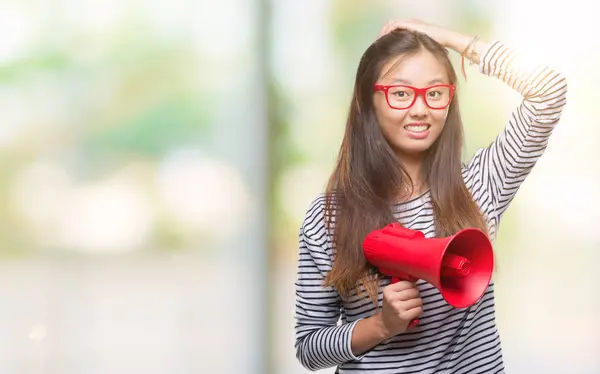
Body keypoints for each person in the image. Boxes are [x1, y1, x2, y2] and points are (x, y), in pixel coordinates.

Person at [294, 19, 567, 373]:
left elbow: (549, 91)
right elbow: (309, 349)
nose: (420, 109)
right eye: (401, 93)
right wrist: (381, 325)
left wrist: (446, 39)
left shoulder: (481, 185)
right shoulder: (328, 216)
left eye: (435, 92)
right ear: (368, 100)